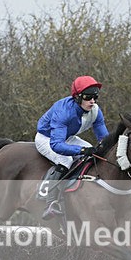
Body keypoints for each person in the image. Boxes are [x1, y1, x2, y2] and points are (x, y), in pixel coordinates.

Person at [35, 75, 110, 219]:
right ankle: (50, 203)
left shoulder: (95, 111)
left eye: (95, 97)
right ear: (78, 97)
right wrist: (81, 150)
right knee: (66, 160)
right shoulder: (63, 112)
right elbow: (56, 145)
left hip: (67, 138)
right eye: (88, 97)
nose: (92, 101)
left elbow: (104, 138)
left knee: (93, 155)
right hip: (47, 138)